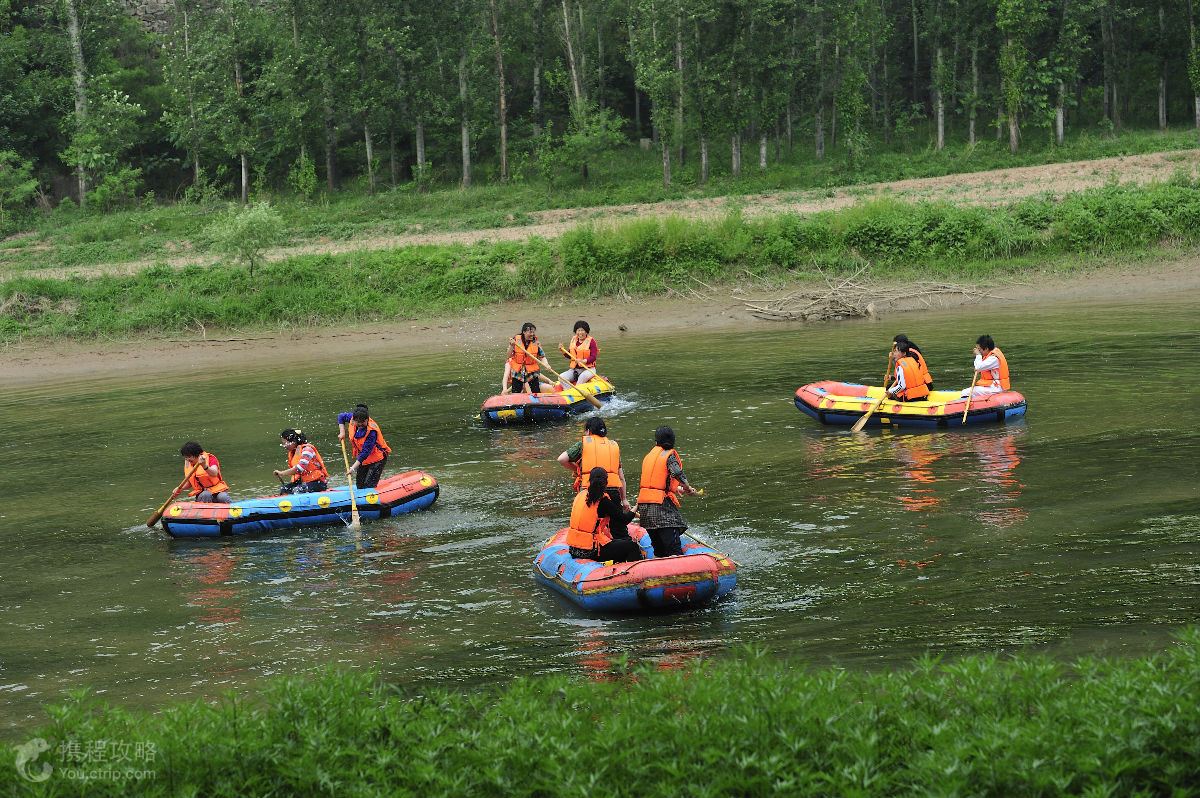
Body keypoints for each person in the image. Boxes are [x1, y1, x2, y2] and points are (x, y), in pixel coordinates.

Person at [635, 426, 699, 558]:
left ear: (656, 442)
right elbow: (677, 473)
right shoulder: (668, 455)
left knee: (659, 550)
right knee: (673, 549)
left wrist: (677, 488)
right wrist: (687, 488)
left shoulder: (649, 456)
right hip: (661, 507)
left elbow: (657, 482)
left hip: (645, 508)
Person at [566, 467, 641, 563]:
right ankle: (636, 574)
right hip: (591, 550)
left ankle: (618, 564)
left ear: (589, 480)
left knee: (617, 543)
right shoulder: (603, 501)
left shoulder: (580, 495)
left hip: (574, 549)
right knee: (632, 546)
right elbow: (624, 520)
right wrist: (637, 506)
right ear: (606, 482)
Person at [557, 417, 629, 507]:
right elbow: (621, 477)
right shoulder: (613, 446)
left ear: (588, 431)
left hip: (590, 491)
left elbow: (561, 459)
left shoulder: (582, 444)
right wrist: (624, 499)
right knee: (612, 518)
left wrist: (579, 470)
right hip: (612, 491)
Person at [337, 404, 391, 489]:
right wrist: (342, 432)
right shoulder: (352, 418)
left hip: (378, 458)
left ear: (367, 419)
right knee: (360, 485)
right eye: (358, 423)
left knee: (369, 486)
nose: (360, 425)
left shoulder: (371, 432)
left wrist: (352, 468)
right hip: (364, 459)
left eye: (363, 423)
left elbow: (365, 452)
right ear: (353, 420)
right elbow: (341, 416)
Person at [273, 428, 329, 494]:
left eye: (285, 443)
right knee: (284, 489)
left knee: (297, 490)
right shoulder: (293, 452)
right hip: (304, 482)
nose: (284, 446)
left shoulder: (307, 449)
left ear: (293, 441)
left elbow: (299, 469)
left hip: (317, 483)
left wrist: (282, 473)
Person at [502, 322, 552, 395]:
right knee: (516, 394)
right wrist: (511, 346)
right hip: (518, 372)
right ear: (524, 332)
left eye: (533, 332)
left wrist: (546, 364)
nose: (532, 334)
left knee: (536, 393)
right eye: (530, 332)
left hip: (532, 373)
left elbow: (542, 356)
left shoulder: (535, 342)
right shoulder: (516, 341)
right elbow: (509, 355)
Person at [559, 320, 599, 385]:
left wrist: (583, 361)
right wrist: (563, 350)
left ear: (586, 331)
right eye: (578, 330)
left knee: (582, 377)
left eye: (582, 330)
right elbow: (570, 356)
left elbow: (593, 357)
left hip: (588, 369)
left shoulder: (591, 341)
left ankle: (578, 390)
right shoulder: (574, 340)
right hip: (575, 369)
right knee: (561, 377)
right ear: (576, 331)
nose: (580, 332)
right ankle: (569, 391)